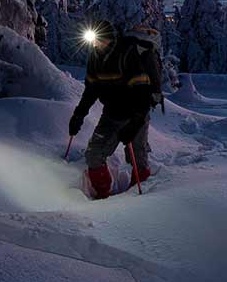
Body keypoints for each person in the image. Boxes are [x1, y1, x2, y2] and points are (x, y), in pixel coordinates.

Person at [69, 21, 164, 199]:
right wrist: (78, 116)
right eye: (92, 40)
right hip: (111, 114)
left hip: (135, 112)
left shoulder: (126, 54)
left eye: (98, 39)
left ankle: (140, 196)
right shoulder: (95, 59)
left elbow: (142, 93)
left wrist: (135, 124)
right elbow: (91, 91)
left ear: (109, 38)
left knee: (137, 156)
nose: (95, 43)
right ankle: (103, 196)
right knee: (94, 154)